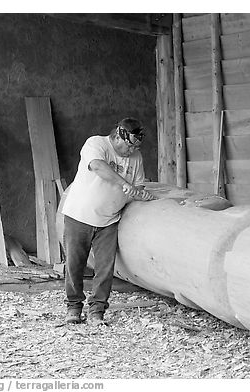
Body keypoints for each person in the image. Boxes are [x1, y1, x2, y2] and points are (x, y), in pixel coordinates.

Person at [61, 117, 155, 326]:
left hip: (109, 220)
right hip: (79, 216)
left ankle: (97, 311)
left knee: (105, 268)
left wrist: (141, 194)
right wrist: (125, 184)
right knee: (74, 265)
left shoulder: (136, 157)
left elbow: (138, 186)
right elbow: (97, 166)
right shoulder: (96, 144)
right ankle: (74, 308)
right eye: (130, 145)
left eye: (136, 147)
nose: (132, 151)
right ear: (118, 135)